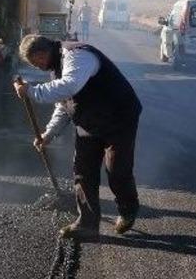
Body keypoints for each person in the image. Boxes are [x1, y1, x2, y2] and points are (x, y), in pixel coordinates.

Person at [13, 34, 141, 240]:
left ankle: (128, 210)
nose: (37, 67)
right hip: (89, 121)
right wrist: (48, 134)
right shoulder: (56, 69)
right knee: (83, 170)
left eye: (36, 63)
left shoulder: (77, 55)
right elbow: (64, 104)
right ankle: (87, 224)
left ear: (42, 53)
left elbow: (70, 86)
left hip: (119, 117)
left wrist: (31, 91)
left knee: (116, 169)